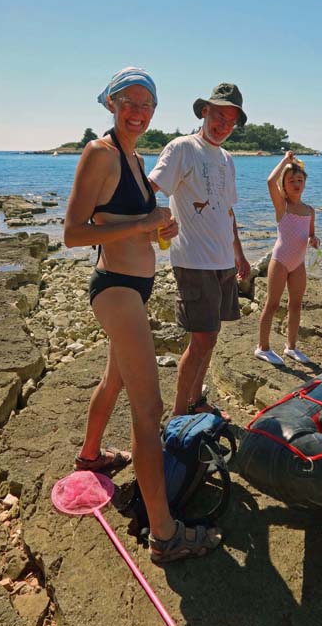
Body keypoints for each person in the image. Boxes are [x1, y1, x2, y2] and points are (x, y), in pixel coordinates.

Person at [64, 67, 221, 563]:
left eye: (146, 104)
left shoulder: (134, 157)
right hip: (114, 290)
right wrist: (146, 221)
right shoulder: (100, 152)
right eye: (128, 101)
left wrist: (158, 233)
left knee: (114, 381)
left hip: (135, 287)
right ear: (110, 103)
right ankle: (164, 534)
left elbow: (128, 225)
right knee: (149, 412)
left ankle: (91, 455)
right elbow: (74, 233)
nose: (137, 111)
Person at [149, 83, 251, 419]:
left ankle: (195, 401)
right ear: (204, 111)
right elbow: (150, 190)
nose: (223, 125)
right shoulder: (182, 148)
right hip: (193, 261)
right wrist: (151, 227)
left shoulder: (226, 158)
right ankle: (179, 416)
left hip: (222, 262)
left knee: (211, 337)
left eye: (231, 121)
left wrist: (239, 253)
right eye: (219, 115)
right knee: (201, 341)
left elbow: (227, 211)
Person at [255, 152, 320, 365]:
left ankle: (291, 347)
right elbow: (268, 181)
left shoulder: (309, 210)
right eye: (291, 181)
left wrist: (313, 240)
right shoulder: (282, 206)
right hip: (280, 260)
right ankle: (262, 347)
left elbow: (310, 234)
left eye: (300, 180)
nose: (296, 184)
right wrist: (284, 161)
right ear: (284, 185)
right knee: (272, 304)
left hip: (298, 263)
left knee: (296, 305)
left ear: (305, 183)